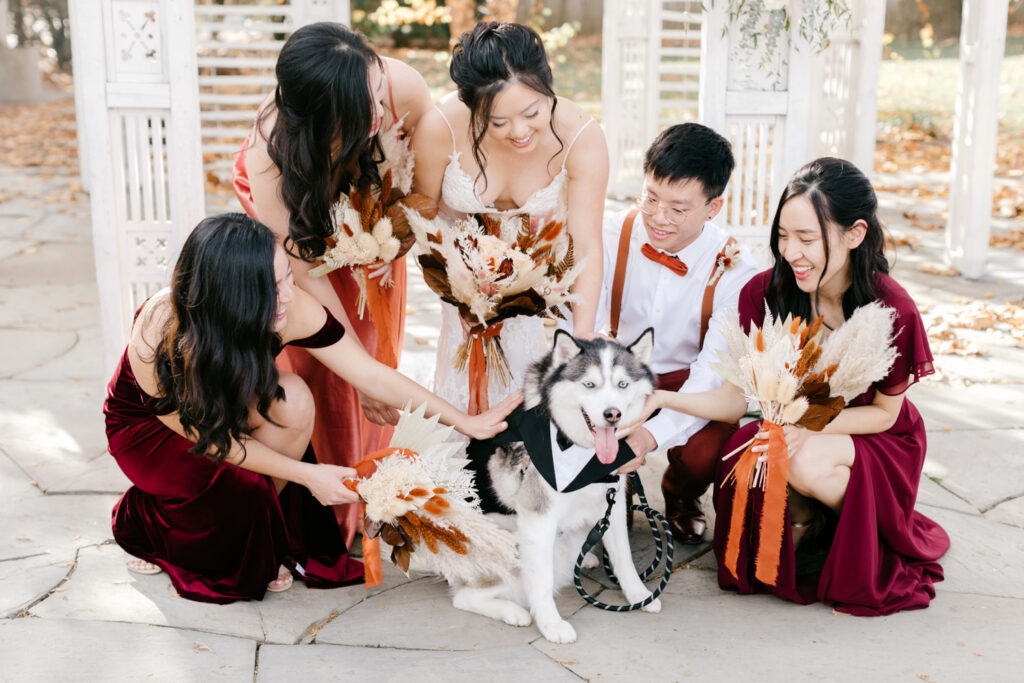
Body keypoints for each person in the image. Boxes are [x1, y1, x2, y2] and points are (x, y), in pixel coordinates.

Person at [104, 214, 519, 604]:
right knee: (232, 528)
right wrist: (308, 476)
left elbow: (369, 375)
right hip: (153, 433)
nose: (287, 296)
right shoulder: (162, 332)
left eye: (286, 277)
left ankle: (256, 524)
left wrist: (464, 421)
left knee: (295, 399)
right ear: (233, 297)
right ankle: (141, 519)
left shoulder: (289, 309)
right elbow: (215, 442)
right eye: (271, 288)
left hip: (227, 408)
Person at [629, 158, 949, 615]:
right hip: (793, 430)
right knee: (748, 452)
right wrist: (661, 398)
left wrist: (808, 424)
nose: (791, 251)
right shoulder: (766, 293)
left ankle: (868, 531)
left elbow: (885, 414)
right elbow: (735, 400)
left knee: (800, 462)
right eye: (783, 236)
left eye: (807, 238)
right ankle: (808, 523)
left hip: (872, 436)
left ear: (854, 235)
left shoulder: (891, 307)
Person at [232, 22, 433, 544]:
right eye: (362, 107)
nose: (380, 114)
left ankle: (369, 494)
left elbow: (425, 176)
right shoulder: (270, 156)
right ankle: (310, 512)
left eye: (376, 94)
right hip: (300, 236)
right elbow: (303, 273)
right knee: (318, 365)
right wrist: (356, 372)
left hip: (369, 225)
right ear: (323, 116)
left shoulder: (400, 85)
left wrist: (397, 236)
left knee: (374, 345)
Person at [412, 21, 609, 413]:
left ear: (548, 85)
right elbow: (423, 218)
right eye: (497, 122)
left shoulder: (582, 137)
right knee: (457, 403)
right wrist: (458, 293)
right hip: (461, 294)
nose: (519, 131)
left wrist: (582, 333)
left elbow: (586, 243)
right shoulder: (440, 127)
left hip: (533, 298)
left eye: (532, 112)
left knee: (527, 409)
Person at [593, 123, 758, 545]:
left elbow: (711, 374)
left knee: (709, 449)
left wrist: (649, 435)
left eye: (678, 208)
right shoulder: (612, 235)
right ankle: (613, 487)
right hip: (617, 370)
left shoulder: (737, 270)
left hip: (687, 380)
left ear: (713, 207)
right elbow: (584, 320)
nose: (658, 217)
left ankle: (681, 492)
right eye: (650, 198)